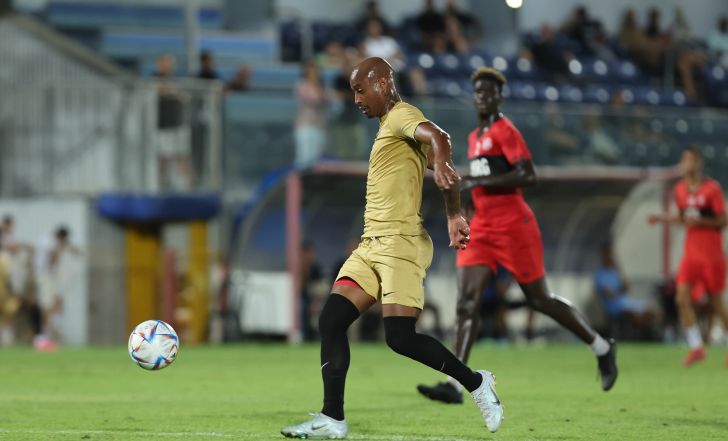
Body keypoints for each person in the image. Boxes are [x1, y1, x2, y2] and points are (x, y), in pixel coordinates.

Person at [281, 57, 504, 439]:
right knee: (331, 320)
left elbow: (440, 138)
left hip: (400, 242)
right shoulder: (390, 127)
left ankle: (476, 383)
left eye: (360, 90)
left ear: (382, 83)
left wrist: (445, 166)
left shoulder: (402, 115)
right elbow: (445, 171)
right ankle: (332, 418)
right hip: (371, 244)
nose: (356, 99)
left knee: (400, 338)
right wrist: (453, 211)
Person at [416, 67, 617, 406]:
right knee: (466, 302)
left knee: (540, 299)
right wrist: (469, 196)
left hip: (513, 226)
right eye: (479, 91)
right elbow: (486, 178)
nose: (484, 96)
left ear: (499, 97)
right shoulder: (474, 137)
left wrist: (477, 182)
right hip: (482, 227)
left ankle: (601, 347)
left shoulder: (505, 131)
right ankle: (454, 383)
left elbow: (527, 174)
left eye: (490, 91)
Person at [648, 147, 728, 366]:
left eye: (691, 160)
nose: (687, 164)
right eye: (684, 160)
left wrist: (702, 221)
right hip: (691, 255)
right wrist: (661, 218)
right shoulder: (680, 189)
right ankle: (696, 347)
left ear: (699, 163)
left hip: (712, 256)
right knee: (681, 297)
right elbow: (683, 217)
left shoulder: (712, 189)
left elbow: (723, 221)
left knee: (717, 304)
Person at [594, 242, 657, 335]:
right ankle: (639, 333)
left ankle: (646, 333)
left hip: (626, 301)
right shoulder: (600, 273)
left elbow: (628, 288)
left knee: (653, 312)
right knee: (633, 314)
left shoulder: (615, 271)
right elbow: (610, 295)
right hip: (615, 306)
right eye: (609, 253)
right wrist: (619, 290)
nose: (611, 256)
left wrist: (620, 271)